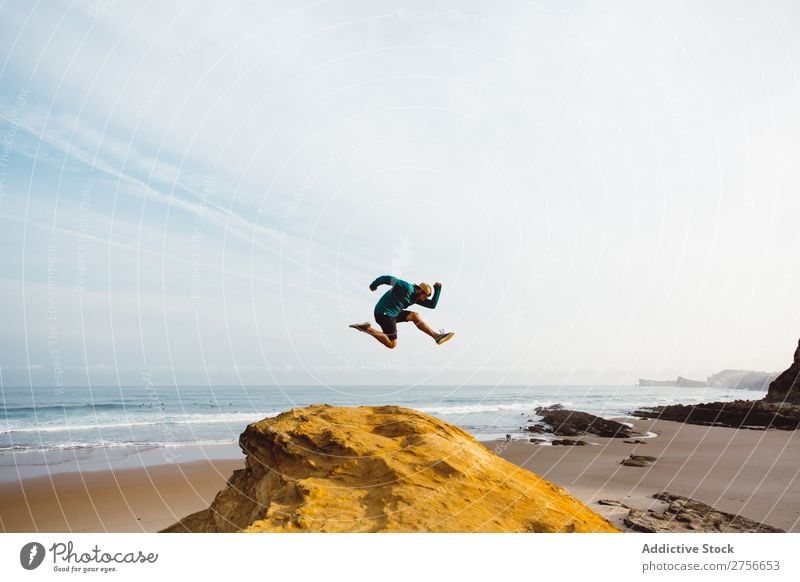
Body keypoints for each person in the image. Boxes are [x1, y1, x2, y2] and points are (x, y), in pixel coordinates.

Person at [349, 275, 454, 349]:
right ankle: (366, 329)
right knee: (392, 344)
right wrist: (374, 285)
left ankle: (437, 336)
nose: (423, 299)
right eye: (424, 296)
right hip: (383, 313)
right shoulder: (405, 287)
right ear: (419, 291)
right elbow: (387, 279)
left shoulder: (415, 298)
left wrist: (438, 289)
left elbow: (432, 305)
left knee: (415, 315)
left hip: (394, 313)